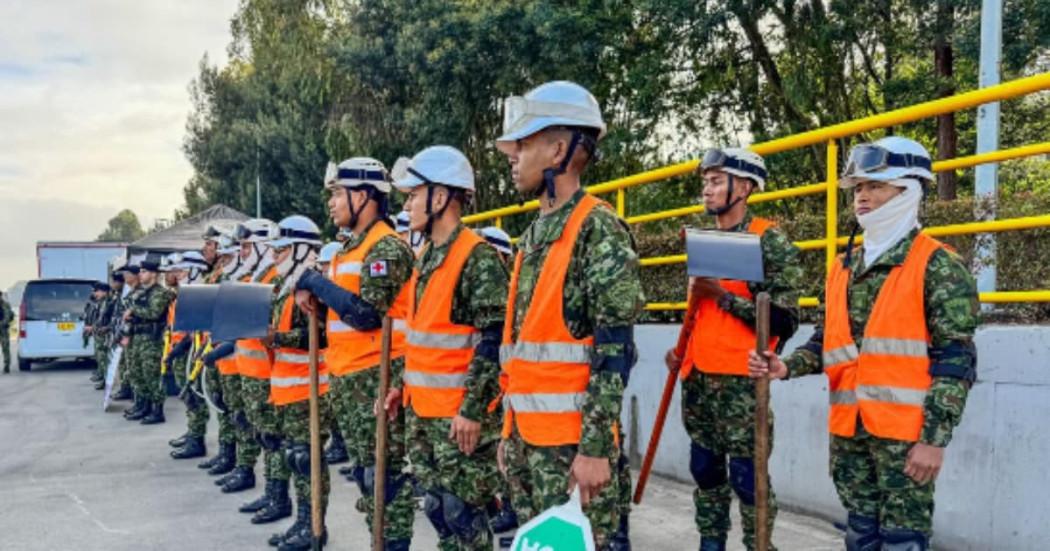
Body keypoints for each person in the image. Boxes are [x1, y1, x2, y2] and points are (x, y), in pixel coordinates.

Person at [747, 137, 979, 551]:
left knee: (902, 541)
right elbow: (828, 341)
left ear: (908, 190)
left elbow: (956, 360)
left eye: (875, 186)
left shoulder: (937, 264)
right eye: (857, 189)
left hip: (905, 440)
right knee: (860, 536)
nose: (863, 197)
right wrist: (787, 366)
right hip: (850, 434)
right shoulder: (844, 265)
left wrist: (933, 439)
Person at [494, 80, 644, 550]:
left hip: (571, 451)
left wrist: (596, 450)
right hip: (526, 443)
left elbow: (614, 351)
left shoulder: (596, 229)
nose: (513, 156)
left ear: (558, 150)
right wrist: (508, 430)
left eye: (523, 144)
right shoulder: (533, 236)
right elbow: (520, 351)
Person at [662, 148, 802, 551]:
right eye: (705, 181)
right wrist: (680, 351)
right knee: (704, 471)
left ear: (743, 187)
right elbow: (699, 313)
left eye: (715, 181)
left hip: (743, 384)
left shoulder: (768, 239)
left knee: (747, 477)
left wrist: (724, 297)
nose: (706, 189)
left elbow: (784, 319)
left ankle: (760, 545)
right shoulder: (703, 240)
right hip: (699, 381)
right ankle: (711, 543)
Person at [384, 145, 508, 550]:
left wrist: (473, 409)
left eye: (413, 194)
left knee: (462, 511)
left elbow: (493, 340)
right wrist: (403, 387)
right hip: (424, 413)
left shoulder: (477, 258)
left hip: (460, 420)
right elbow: (424, 335)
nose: (408, 204)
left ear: (440, 197)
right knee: (438, 508)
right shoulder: (426, 257)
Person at [295, 157, 416, 550]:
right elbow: (338, 309)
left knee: (386, 479)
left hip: (377, 379)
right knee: (368, 475)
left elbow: (366, 314)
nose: (331, 203)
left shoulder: (387, 248)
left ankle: (391, 544)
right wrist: (311, 292)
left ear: (363, 196)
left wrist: (314, 280)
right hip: (349, 378)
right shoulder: (347, 249)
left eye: (337, 194)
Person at [264, 215, 331, 550]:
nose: (275, 256)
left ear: (303, 250)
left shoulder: (314, 284)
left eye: (282, 250)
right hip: (288, 387)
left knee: (307, 459)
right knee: (294, 457)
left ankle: (315, 527)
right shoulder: (287, 288)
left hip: (310, 388)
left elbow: (321, 334)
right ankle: (304, 521)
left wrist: (277, 337)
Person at [123, 255, 176, 425]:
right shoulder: (143, 293)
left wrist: (133, 310)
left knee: (151, 375)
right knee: (137, 374)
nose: (140, 274)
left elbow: (154, 313)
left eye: (144, 271)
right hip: (139, 338)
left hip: (152, 340)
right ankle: (144, 406)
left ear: (153, 274)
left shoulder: (161, 293)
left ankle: (157, 410)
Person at [0, 291, 14, 373]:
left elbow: (8, 316)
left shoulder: (6, 305)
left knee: (5, 348)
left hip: (3, 329)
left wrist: (2, 323)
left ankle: (7, 365)